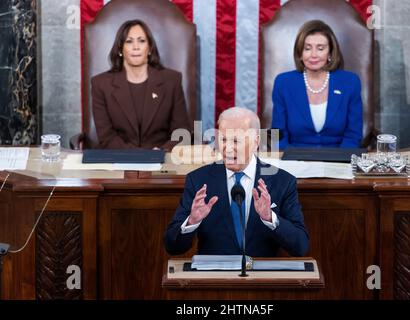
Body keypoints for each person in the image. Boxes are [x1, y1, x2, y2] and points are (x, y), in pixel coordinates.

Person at [165, 107, 309, 257]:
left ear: (256, 141)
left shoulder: (282, 181)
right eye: (223, 139)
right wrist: (192, 221)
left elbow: (300, 247)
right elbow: (172, 247)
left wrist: (270, 217)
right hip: (213, 277)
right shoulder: (198, 180)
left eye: (236, 140)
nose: (227, 148)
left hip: (262, 276)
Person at [91, 19, 191, 151]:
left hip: (162, 160)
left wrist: (161, 152)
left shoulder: (171, 80)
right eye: (129, 41)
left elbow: (182, 131)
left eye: (141, 41)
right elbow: (106, 136)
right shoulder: (101, 84)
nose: (136, 47)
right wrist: (139, 156)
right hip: (118, 160)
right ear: (120, 49)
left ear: (149, 48)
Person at [271, 20, 363, 149]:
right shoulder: (283, 82)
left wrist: (340, 163)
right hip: (294, 159)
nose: (313, 55)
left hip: (338, 160)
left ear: (330, 53)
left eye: (320, 48)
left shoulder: (350, 82)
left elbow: (354, 134)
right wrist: (290, 164)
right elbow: (276, 134)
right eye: (307, 48)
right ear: (300, 54)